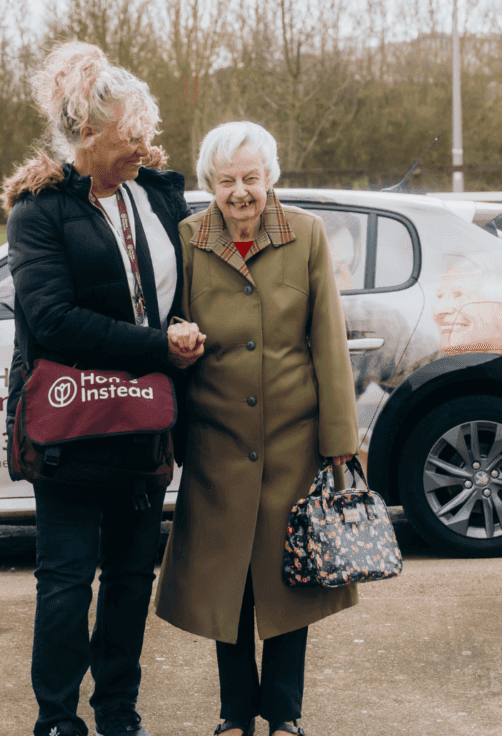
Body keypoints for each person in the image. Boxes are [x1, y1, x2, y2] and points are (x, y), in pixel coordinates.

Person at [0, 41, 204, 736]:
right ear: (88, 133)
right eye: (128, 136)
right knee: (64, 581)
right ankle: (57, 718)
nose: (142, 148)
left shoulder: (155, 196)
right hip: (70, 429)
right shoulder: (40, 210)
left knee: (129, 578)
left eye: (146, 134)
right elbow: (51, 319)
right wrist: (159, 346)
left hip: (146, 423)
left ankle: (118, 710)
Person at [155, 122, 360, 736]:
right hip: (218, 441)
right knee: (229, 584)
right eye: (227, 181)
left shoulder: (307, 234)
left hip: (293, 441)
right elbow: (171, 324)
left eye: (251, 178)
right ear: (209, 185)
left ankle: (286, 715)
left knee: (290, 578)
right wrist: (178, 343)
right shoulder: (188, 238)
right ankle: (236, 713)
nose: (240, 193)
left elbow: (328, 341)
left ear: (270, 176)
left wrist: (340, 443)